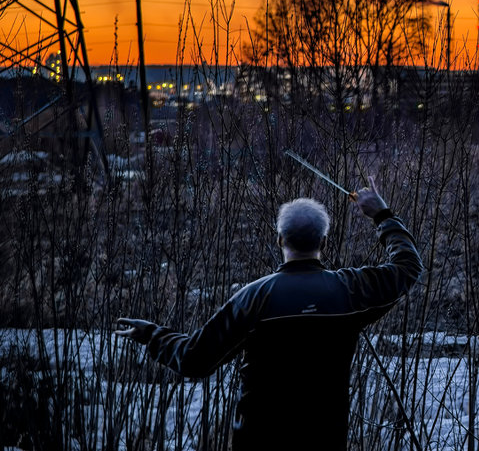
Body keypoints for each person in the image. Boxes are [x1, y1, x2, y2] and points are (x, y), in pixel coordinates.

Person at [116, 181, 422, 450]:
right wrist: (382, 215)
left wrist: (151, 335)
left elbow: (196, 359)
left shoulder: (253, 298)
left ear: (280, 240)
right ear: (324, 243)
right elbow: (408, 267)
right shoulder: (347, 290)